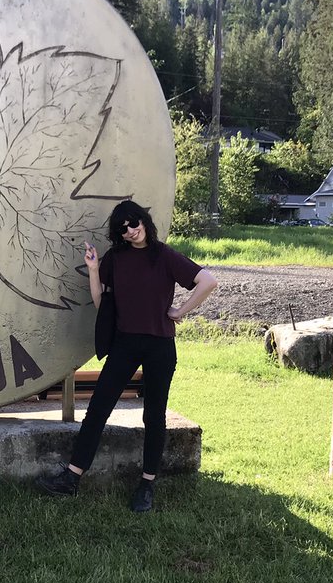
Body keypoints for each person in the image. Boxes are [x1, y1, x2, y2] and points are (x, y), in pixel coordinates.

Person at [36, 199, 218, 512]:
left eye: (134, 223)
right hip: (124, 344)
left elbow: (208, 281)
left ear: (144, 221)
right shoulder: (115, 259)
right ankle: (72, 477)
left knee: (154, 415)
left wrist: (179, 311)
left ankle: (147, 484)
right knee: (98, 408)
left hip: (160, 345)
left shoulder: (164, 256)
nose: (130, 231)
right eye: (123, 229)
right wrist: (94, 270)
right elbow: (101, 303)